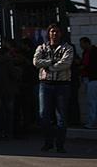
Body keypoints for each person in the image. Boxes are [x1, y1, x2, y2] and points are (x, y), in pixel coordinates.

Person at [33, 23, 74, 153]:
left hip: (62, 85)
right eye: (52, 31)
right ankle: (48, 142)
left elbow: (65, 63)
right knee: (43, 114)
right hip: (45, 84)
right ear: (48, 33)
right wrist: (51, 62)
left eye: (57, 31)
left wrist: (48, 67)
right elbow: (36, 62)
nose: (54, 34)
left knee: (61, 116)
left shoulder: (67, 48)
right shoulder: (42, 47)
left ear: (61, 33)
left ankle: (60, 144)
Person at [0, 47, 20, 139]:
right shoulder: (8, 62)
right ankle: (8, 133)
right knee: (9, 113)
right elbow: (14, 75)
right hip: (8, 90)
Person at [80, 37, 97, 129]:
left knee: (92, 101)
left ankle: (92, 122)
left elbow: (91, 65)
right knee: (92, 101)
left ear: (87, 43)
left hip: (93, 79)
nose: (81, 46)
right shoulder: (86, 53)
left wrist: (83, 68)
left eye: (82, 44)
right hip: (89, 78)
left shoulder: (93, 52)